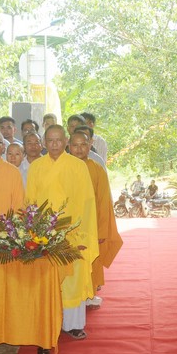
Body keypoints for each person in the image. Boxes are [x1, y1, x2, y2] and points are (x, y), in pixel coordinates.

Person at [26, 125, 97, 340]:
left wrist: (83, 234)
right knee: (47, 279)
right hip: (43, 232)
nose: (55, 144)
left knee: (72, 278)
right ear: (44, 143)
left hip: (72, 232)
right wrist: (33, 230)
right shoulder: (36, 166)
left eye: (58, 140)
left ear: (66, 141)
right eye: (50, 140)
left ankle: (73, 324)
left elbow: (86, 201)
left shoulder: (78, 166)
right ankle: (49, 324)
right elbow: (30, 200)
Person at [68, 131, 123, 308]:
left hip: (90, 224)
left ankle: (89, 293)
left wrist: (101, 230)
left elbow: (104, 201)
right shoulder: (64, 167)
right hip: (68, 225)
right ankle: (72, 295)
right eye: (75, 145)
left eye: (83, 145)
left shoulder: (97, 169)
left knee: (91, 259)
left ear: (90, 145)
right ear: (69, 146)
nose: (79, 149)